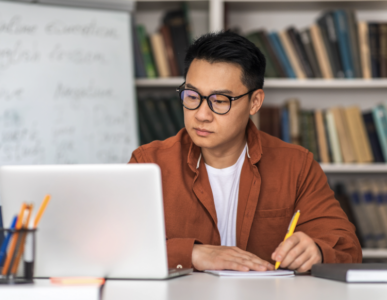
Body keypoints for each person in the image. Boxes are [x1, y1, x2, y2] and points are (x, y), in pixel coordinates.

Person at [129, 31, 362, 273]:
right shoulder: (148, 163)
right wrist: (193, 253)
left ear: (255, 102)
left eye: (219, 101)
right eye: (192, 96)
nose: (201, 114)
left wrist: (317, 250)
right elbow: (113, 248)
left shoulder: (295, 165)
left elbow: (348, 249)